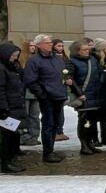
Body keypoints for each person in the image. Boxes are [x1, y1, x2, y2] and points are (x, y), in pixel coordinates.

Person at [23, 35, 70, 163]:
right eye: (47, 43)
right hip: (47, 97)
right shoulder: (34, 60)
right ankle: (47, 152)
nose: (50, 44)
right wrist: (42, 94)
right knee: (48, 124)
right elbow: (30, 80)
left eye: (50, 42)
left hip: (59, 95)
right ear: (39, 45)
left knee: (55, 124)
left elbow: (62, 74)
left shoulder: (57, 58)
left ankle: (51, 149)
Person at [69, 40, 105, 155]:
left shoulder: (92, 60)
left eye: (87, 49)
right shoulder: (72, 63)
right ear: (77, 51)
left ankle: (90, 143)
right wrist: (80, 94)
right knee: (84, 121)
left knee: (92, 121)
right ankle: (84, 145)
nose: (87, 51)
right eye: (84, 50)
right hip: (84, 96)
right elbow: (70, 80)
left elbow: (99, 73)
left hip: (95, 95)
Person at [0, 42, 27, 174]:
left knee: (12, 136)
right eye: (13, 55)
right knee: (6, 137)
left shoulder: (11, 67)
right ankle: (5, 162)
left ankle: (11, 159)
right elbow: (1, 90)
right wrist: (3, 107)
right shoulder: (2, 68)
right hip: (8, 109)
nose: (15, 58)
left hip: (15, 106)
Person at [91, 38, 106, 146]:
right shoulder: (95, 59)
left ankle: (104, 137)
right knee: (95, 117)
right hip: (97, 91)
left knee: (104, 117)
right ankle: (95, 138)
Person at [18, 40, 40, 147]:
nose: (33, 48)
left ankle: (34, 136)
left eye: (34, 46)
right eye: (30, 46)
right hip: (24, 91)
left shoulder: (37, 58)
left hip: (35, 91)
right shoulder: (21, 60)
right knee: (25, 115)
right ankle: (24, 137)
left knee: (35, 115)